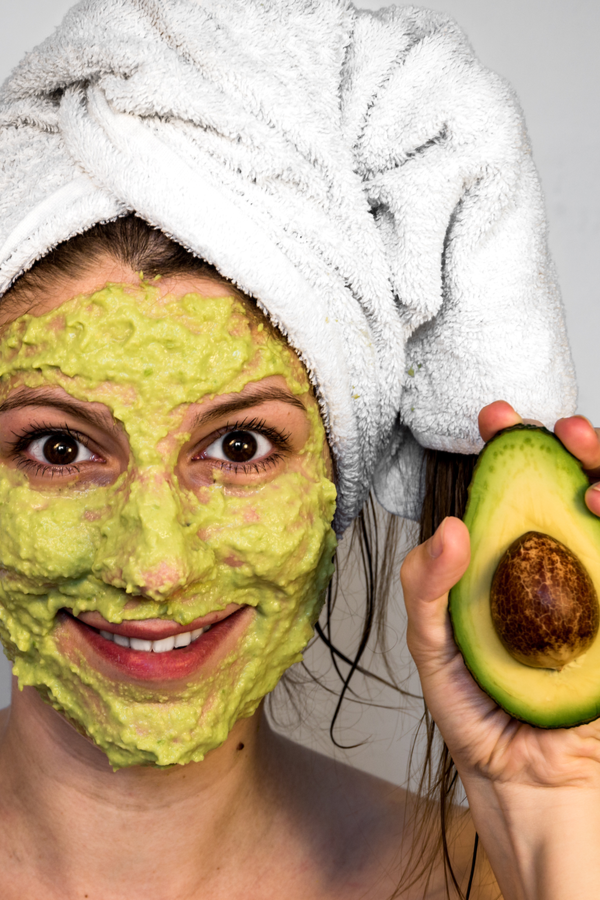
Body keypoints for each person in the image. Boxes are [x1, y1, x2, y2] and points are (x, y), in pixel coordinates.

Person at [0, 1, 595, 898]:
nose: (155, 568)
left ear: (334, 481)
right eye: (58, 446)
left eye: (239, 445)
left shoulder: (505, 877)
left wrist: (548, 829)